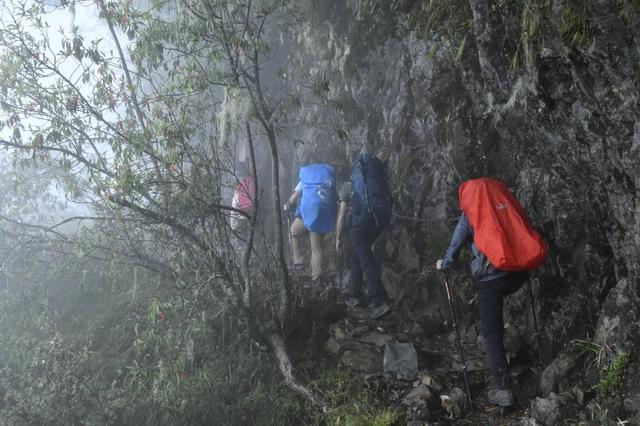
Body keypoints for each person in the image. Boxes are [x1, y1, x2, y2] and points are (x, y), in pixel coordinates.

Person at [435, 177, 547, 407]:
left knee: (492, 332)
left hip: (491, 280)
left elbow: (454, 247)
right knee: (496, 317)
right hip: (517, 274)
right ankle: (537, 359)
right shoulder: (506, 204)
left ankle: (503, 388)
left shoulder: (470, 215)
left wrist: (444, 264)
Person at [336, 153, 393, 320]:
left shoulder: (349, 186)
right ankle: (355, 296)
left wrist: (338, 238)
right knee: (358, 256)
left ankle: (380, 301)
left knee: (366, 260)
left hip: (360, 225)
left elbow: (341, 215)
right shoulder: (377, 183)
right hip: (378, 221)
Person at [285, 163, 337, 283]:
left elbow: (294, 198)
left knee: (293, 232)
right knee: (316, 248)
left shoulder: (306, 179)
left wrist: (288, 205)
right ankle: (317, 278)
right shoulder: (328, 181)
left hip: (306, 214)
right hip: (321, 216)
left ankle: (298, 262)